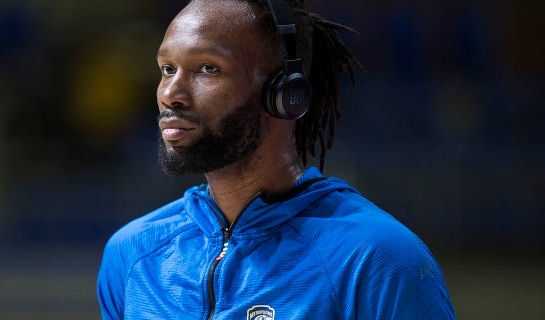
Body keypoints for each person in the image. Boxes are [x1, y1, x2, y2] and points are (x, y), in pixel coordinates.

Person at [97, 0, 455, 319]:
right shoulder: (132, 254)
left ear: (286, 93)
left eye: (208, 69)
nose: (171, 94)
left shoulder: (375, 258)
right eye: (167, 69)